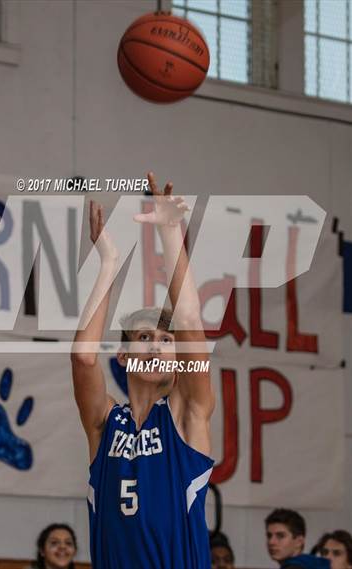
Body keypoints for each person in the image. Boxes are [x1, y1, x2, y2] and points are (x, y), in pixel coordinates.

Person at [71, 173, 216, 569]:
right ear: (123, 356)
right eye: (144, 337)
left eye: (166, 340)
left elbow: (189, 319)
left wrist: (169, 231)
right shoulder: (105, 422)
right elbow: (83, 358)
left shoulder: (186, 413)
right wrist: (108, 264)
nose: (155, 345)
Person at [265, 508, 329, 568]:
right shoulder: (311, 563)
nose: (271, 542)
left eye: (281, 536)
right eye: (269, 536)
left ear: (299, 542)